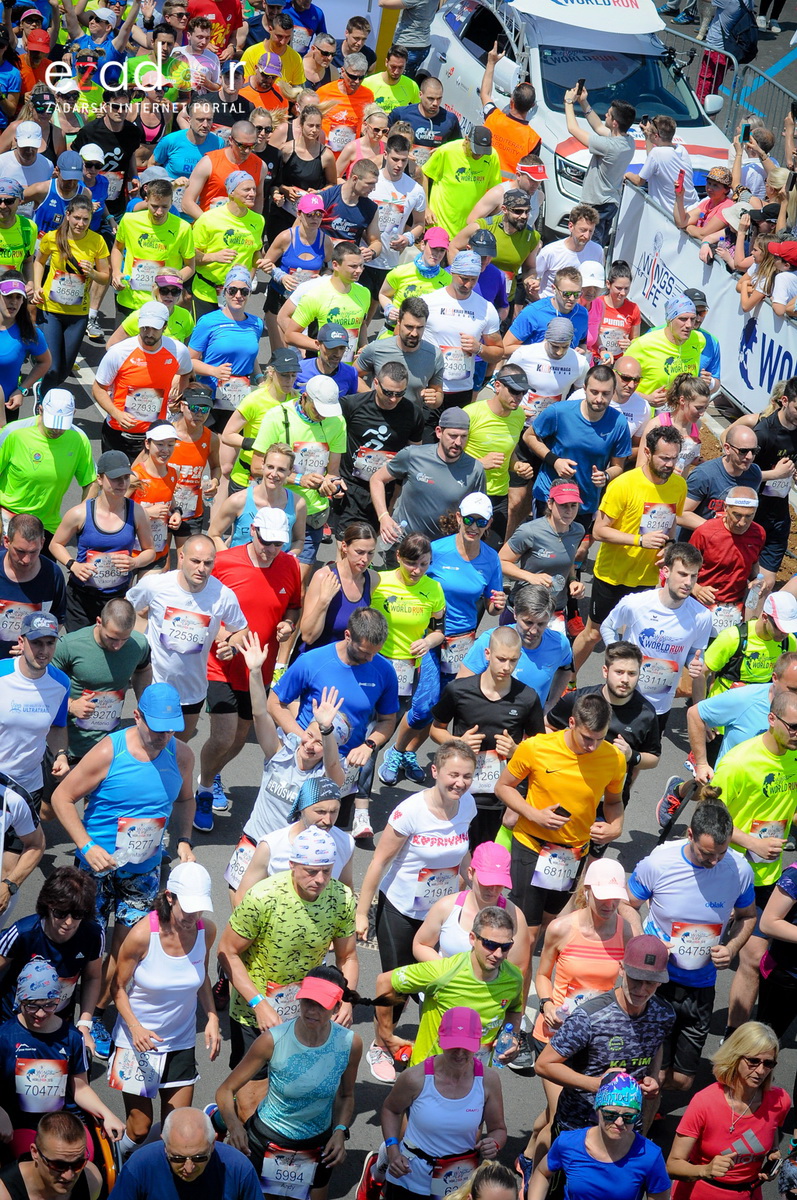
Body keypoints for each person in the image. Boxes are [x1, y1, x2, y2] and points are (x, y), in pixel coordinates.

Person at [50, 682, 196, 1057]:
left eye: (171, 728)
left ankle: (95, 1014)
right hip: (96, 870)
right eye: (156, 727)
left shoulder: (181, 755)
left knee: (126, 948)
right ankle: (61, 1011)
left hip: (143, 872)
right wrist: (86, 845)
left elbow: (186, 800)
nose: (164, 736)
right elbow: (61, 797)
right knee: (85, 942)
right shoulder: (108, 751)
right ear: (137, 716)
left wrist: (183, 838)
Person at [217, 828, 358, 1124]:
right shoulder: (263, 896)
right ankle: (230, 1131)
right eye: (310, 871)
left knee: (294, 1094)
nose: (319, 880)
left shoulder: (341, 898)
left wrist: (346, 1001)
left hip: (306, 1011)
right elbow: (227, 952)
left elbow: (347, 957)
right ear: (293, 865)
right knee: (251, 1103)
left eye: (327, 871)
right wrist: (258, 1003)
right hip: (254, 1011)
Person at [356, 739, 477, 1079]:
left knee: (437, 981)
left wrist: (474, 885)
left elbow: (463, 852)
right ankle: (381, 1046)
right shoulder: (410, 811)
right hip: (400, 910)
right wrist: (362, 912)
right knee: (399, 984)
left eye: (467, 776)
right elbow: (379, 862)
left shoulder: (467, 806)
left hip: (441, 913)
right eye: (454, 774)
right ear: (435, 771)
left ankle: (429, 1042)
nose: (460, 783)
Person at [628, 800, 756, 1093]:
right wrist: (646, 942)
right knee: (653, 1072)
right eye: (707, 854)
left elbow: (748, 917)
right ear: (689, 835)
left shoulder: (739, 869)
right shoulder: (659, 862)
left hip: (701, 985)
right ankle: (641, 1118)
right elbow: (627, 904)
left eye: (721, 854)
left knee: (683, 1081)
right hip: (657, 980)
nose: (714, 862)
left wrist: (732, 948)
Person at [214, 965, 360, 1200]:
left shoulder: (350, 1044)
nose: (311, 1011)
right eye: (307, 1001)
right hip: (268, 1139)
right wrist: (234, 1126)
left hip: (317, 1143)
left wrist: (340, 1131)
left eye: (321, 1004)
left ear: (337, 1006)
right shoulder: (273, 1040)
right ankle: (218, 1119)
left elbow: (346, 1095)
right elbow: (225, 1090)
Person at [495, 692, 625, 949]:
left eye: (600, 739)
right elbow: (503, 787)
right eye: (587, 738)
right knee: (527, 931)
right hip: (531, 844)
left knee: (548, 920)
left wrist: (616, 826)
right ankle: (513, 980)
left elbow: (613, 801)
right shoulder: (536, 747)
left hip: (572, 854)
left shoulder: (614, 758)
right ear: (572, 723)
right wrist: (534, 814)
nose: (592, 746)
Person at [196, 509, 300, 822]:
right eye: (266, 541)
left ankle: (212, 775)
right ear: (253, 531)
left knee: (241, 738)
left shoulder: (289, 565)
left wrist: (287, 626)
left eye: (278, 544)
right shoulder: (225, 562)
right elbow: (202, 607)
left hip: (258, 669)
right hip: (221, 663)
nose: (270, 550)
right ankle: (203, 788)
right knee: (224, 736)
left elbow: (294, 606)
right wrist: (225, 637)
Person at [109, 862, 219, 1156]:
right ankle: (116, 1163)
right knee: (140, 1129)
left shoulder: (205, 930)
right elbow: (117, 989)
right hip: (137, 1042)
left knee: (174, 1128)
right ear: (170, 898)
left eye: (200, 910)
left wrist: (211, 1016)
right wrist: (135, 1026)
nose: (193, 917)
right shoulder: (143, 935)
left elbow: (203, 976)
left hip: (180, 1042)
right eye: (188, 909)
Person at [268, 607, 399, 837]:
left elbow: (387, 720)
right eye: (363, 652)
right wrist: (303, 738)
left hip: (342, 769)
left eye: (374, 653)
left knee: (326, 837)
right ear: (348, 635)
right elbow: (275, 703)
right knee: (285, 834)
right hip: (305, 762)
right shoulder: (313, 661)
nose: (369, 659)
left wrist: (368, 745)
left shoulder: (384, 671)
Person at [711, 692, 797, 1037]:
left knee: (751, 958)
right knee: (701, 952)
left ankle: (735, 1037)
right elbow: (710, 817)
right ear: (772, 720)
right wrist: (753, 842)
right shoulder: (738, 762)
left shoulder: (793, 758)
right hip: (726, 873)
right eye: (793, 727)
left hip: (765, 876)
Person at [571, 425, 686, 672]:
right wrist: (639, 541)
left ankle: (619, 689)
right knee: (594, 634)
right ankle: (566, 678)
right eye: (664, 458)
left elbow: (672, 524)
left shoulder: (678, 485)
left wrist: (670, 546)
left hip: (646, 578)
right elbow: (599, 531)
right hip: (613, 575)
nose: (670, 464)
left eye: (674, 458)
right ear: (647, 452)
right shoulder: (623, 484)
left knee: (632, 640)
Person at [535, 935, 674, 1134]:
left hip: (626, 1127)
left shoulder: (664, 1014)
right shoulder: (590, 1016)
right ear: (621, 969)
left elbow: (657, 1043)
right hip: (579, 1126)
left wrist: (652, 1077)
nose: (642, 990)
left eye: (650, 982)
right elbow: (544, 1065)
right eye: (636, 979)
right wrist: (597, 1084)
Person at [126, 535, 247, 742]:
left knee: (178, 747)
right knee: (149, 744)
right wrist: (132, 647)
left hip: (192, 689)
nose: (202, 568)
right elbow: (126, 609)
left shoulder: (222, 596)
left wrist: (232, 647)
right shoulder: (156, 585)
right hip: (156, 682)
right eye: (196, 561)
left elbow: (241, 629)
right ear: (181, 557)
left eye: (208, 563)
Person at [374, 904, 523, 1071]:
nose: (497, 954)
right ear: (472, 938)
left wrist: (511, 1036)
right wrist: (386, 1037)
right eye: (489, 944)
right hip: (429, 1075)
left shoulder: (513, 978)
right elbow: (385, 982)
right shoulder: (443, 972)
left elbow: (514, 1008)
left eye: (505, 947)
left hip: (475, 1077)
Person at [432, 626, 544, 847]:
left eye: (512, 661)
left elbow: (537, 747)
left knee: (488, 861)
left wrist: (516, 750)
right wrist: (458, 743)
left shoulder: (527, 698)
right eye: (501, 659)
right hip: (460, 789)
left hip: (500, 795)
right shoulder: (458, 690)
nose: (506, 667)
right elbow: (435, 730)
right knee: (453, 854)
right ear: (487, 654)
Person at [0, 958, 125, 1156]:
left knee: (82, 1159)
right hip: (21, 1123)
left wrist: (107, 1113)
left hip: (64, 1121)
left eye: (49, 1005)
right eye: (32, 1005)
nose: (40, 1013)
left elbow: (80, 1087)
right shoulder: (4, 1037)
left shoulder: (72, 1037)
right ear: (20, 1000)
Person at [379, 1006, 507, 1199]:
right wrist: (392, 1150)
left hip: (458, 1182)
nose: (459, 1053)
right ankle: (377, 1169)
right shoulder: (416, 1078)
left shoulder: (488, 1080)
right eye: (453, 1045)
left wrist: (495, 1143)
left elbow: (498, 1128)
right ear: (440, 1039)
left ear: (478, 1043)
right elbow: (391, 1110)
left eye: (467, 1047)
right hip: (409, 1176)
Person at [665, 1023, 788, 1199]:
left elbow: (772, 1127)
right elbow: (672, 1165)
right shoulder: (705, 1102)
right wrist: (705, 1170)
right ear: (735, 1057)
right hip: (700, 1193)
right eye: (753, 1061)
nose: (761, 1071)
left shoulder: (779, 1101)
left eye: (768, 1063)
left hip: (749, 1193)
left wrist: (773, 1152)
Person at [600, 542, 713, 727]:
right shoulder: (636, 603)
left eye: (694, 576)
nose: (688, 582)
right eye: (683, 574)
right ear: (666, 571)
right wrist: (617, 657)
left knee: (647, 755)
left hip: (660, 705)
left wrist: (695, 664)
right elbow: (607, 626)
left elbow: (695, 653)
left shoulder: (702, 616)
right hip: (623, 695)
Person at [247, 375, 346, 574]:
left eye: (327, 411)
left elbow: (332, 472)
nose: (322, 416)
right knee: (264, 574)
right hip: (276, 509)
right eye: (318, 409)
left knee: (297, 584)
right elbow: (257, 466)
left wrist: (332, 486)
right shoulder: (277, 416)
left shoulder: (337, 422)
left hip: (312, 513)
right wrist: (299, 479)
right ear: (304, 397)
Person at [546, 641, 661, 809]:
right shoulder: (579, 699)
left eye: (632, 673)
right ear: (605, 671)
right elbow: (547, 727)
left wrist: (632, 755)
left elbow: (653, 758)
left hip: (608, 798)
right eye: (619, 672)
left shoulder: (646, 714)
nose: (625, 680)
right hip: (567, 785)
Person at [50, 451, 156, 632]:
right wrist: (73, 564)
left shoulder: (137, 512)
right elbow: (55, 544)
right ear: (100, 479)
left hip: (116, 598)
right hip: (81, 599)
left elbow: (150, 551)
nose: (122, 484)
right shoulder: (80, 513)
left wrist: (135, 562)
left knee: (111, 648)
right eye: (115, 478)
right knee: (81, 652)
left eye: (125, 478)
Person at [524, 363, 632, 526]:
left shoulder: (619, 423)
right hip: (550, 497)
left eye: (605, 394)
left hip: (584, 503)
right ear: (584, 388)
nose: (599, 399)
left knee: (572, 551)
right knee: (543, 550)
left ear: (613, 392)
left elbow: (618, 466)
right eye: (594, 392)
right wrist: (555, 461)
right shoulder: (559, 411)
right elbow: (529, 435)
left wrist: (606, 476)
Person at [413, 841, 531, 981]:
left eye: (499, 883)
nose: (493, 890)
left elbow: (518, 968)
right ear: (470, 873)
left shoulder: (515, 916)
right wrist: (451, 972)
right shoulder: (446, 906)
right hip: (444, 992)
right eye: (486, 882)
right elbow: (420, 945)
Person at [52, 598, 151, 764]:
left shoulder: (139, 644)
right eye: (112, 638)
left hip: (111, 747)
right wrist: (70, 705)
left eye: (124, 639)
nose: (117, 646)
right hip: (69, 748)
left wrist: (144, 702)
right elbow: (43, 686)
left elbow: (143, 669)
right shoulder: (70, 645)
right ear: (99, 622)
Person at [371, 408, 486, 548]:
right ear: (439, 432)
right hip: (403, 543)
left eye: (463, 436)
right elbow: (377, 479)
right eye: (453, 436)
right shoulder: (413, 455)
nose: (458, 442)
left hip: (442, 549)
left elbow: (478, 512)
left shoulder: (475, 469)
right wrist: (383, 517)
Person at [92, 300, 193, 459]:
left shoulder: (177, 351)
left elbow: (187, 372)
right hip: (118, 433)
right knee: (115, 482)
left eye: (154, 328)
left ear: (165, 326)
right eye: (145, 327)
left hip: (155, 434)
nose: (149, 333)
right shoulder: (119, 352)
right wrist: (116, 413)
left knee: (145, 483)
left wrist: (178, 395)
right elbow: (98, 388)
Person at [32, 194, 109, 395]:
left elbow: (105, 277)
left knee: (65, 369)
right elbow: (39, 261)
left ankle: (46, 392)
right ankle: (43, 402)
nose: (80, 223)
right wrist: (38, 285)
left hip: (77, 314)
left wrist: (93, 273)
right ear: (68, 215)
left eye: (86, 219)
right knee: (53, 366)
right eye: (77, 218)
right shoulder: (53, 237)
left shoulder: (97, 241)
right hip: (51, 310)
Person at [335, 362, 424, 532]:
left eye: (400, 394)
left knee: (369, 542)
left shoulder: (413, 414)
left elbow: (415, 455)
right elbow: (331, 437)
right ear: (376, 383)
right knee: (347, 543)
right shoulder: (352, 405)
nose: (393, 399)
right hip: (351, 485)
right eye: (388, 392)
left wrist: (400, 460)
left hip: (385, 487)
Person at [0, 388, 95, 544]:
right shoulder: (13, 433)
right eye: (52, 423)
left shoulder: (79, 439)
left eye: (62, 425)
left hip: (47, 526)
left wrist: (83, 516)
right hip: (8, 518)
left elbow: (90, 482)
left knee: (46, 568)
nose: (56, 430)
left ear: (74, 414)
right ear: (40, 410)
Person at [686, 651, 797, 784]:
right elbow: (695, 714)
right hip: (732, 789)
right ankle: (678, 790)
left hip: (780, 789)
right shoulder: (744, 699)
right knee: (700, 789)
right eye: (793, 689)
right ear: (775, 678)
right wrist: (702, 764)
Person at [236, 774, 354, 897]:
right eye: (320, 812)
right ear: (302, 808)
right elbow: (243, 897)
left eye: (334, 812)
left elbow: (345, 890)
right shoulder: (271, 845)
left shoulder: (346, 842)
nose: (328, 820)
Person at [110, 1107, 262, 1200]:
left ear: (213, 1144)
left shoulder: (239, 1168)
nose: (189, 1168)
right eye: (177, 1158)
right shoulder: (139, 1166)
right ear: (165, 1144)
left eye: (199, 1157)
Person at [460, 583, 573, 706]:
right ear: (515, 614)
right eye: (528, 622)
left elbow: (566, 669)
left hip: (531, 722)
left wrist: (552, 703)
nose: (534, 631)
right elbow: (461, 686)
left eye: (541, 624)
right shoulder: (491, 640)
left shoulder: (559, 644)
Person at [0, 610, 69, 802]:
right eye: (37, 642)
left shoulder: (61, 684)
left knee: (31, 833)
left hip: (30, 785)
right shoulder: (1, 674)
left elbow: (57, 725)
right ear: (21, 642)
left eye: (50, 643)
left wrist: (61, 755)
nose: (44, 651)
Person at [421, 251, 502, 413]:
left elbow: (498, 352)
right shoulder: (429, 302)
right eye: (464, 279)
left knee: (455, 438)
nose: (469, 285)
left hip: (461, 390)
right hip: (428, 387)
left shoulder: (486, 308)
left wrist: (479, 348)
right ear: (452, 272)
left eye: (474, 279)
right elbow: (401, 335)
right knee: (424, 437)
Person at [500, 478, 585, 625]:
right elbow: (500, 561)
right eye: (563, 505)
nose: (569, 511)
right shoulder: (530, 531)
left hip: (555, 609)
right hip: (524, 610)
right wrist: (530, 577)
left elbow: (567, 560)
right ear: (550, 504)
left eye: (573, 505)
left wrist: (572, 581)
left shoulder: (577, 531)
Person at [111, 178, 194, 317]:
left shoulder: (183, 228)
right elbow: (117, 249)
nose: (159, 212)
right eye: (154, 206)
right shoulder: (129, 221)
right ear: (146, 201)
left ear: (171, 203)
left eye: (165, 206)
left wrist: (173, 281)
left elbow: (190, 266)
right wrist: (116, 273)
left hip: (163, 303)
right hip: (130, 300)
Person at [563, 88, 635, 246]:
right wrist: (583, 102)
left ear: (615, 123)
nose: (605, 115)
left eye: (609, 114)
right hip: (609, 202)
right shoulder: (628, 141)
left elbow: (573, 129)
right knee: (595, 245)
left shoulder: (609, 146)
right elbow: (598, 127)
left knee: (589, 246)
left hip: (597, 205)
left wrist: (568, 102)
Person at [190, 170, 266, 319]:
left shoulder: (258, 220)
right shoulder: (208, 219)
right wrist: (212, 257)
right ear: (231, 192)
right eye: (246, 189)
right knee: (204, 340)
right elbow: (190, 254)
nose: (252, 194)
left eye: (254, 189)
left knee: (228, 339)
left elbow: (255, 253)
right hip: (206, 292)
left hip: (236, 295)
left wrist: (257, 269)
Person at [210, 441, 305, 554]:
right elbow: (213, 534)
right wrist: (230, 560)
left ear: (290, 471)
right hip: (240, 569)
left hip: (275, 569)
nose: (274, 474)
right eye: (270, 467)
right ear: (262, 465)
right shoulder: (239, 501)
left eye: (281, 469)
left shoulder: (297, 504)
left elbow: (299, 540)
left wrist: (287, 559)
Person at [356, 296, 443, 413]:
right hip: (377, 418)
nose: (414, 333)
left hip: (410, 421)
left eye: (420, 328)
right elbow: (353, 376)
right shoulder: (377, 348)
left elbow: (438, 393)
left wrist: (434, 399)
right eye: (409, 327)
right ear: (399, 322)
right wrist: (373, 396)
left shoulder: (434, 356)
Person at [299, 522, 377, 652]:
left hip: (348, 661)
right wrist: (324, 601)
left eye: (370, 553)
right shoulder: (323, 577)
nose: (365, 559)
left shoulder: (373, 579)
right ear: (345, 547)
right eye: (359, 552)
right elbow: (308, 636)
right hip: (318, 658)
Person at [703, 591, 796, 698]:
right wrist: (701, 707)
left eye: (789, 628)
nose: (784, 633)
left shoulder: (790, 641)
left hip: (759, 707)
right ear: (765, 617)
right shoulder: (733, 637)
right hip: (725, 705)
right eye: (779, 627)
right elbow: (702, 672)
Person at [0, 514, 66, 660]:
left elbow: (58, 619)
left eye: (33, 552)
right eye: (20, 551)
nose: (26, 560)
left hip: (29, 663)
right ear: (6, 541)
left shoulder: (52, 574)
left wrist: (34, 645)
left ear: (42, 543)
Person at [0, 1110, 103, 1200]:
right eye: (59, 1165)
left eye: (78, 1164)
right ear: (35, 1152)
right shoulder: (4, 1193)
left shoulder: (92, 1181)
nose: (68, 1176)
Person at [422, 127, 501, 240]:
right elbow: (424, 173)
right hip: (440, 224)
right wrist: (426, 208)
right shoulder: (447, 151)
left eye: (483, 152)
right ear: (466, 139)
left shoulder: (491, 156)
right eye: (475, 150)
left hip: (469, 229)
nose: (479, 155)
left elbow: (495, 189)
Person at [680, 425, 761, 532]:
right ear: (727, 448)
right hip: (696, 542)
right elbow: (681, 514)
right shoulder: (704, 475)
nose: (749, 456)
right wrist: (718, 530)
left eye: (754, 451)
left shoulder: (754, 474)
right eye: (743, 451)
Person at [626, 295, 705, 403]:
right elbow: (616, 382)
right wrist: (646, 398)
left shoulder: (699, 340)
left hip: (679, 413)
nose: (689, 325)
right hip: (646, 412)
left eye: (692, 319)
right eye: (683, 319)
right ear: (670, 320)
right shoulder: (644, 344)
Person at [636, 374, 709, 478]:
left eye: (705, 408)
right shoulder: (657, 424)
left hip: (678, 488)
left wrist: (699, 461)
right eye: (698, 408)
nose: (702, 413)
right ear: (682, 400)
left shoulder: (696, 425)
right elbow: (640, 465)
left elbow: (685, 457)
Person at [625, 115, 698, 211]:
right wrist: (648, 135)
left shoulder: (657, 153)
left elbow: (639, 181)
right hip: (692, 208)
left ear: (656, 136)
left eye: (650, 131)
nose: (648, 131)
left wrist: (627, 174)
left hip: (671, 214)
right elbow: (653, 161)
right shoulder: (681, 149)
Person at [390, 77, 461, 167]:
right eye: (431, 98)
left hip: (434, 170)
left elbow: (458, 146)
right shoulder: (401, 114)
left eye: (439, 99)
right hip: (404, 168)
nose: (435, 103)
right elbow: (383, 138)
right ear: (420, 94)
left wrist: (444, 150)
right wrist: (401, 153)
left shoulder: (450, 119)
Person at [585, 266, 642, 366]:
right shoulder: (597, 303)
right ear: (608, 284)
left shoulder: (633, 308)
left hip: (617, 362)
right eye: (619, 288)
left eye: (626, 288)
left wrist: (629, 344)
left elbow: (635, 340)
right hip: (594, 359)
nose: (623, 293)